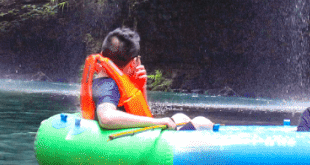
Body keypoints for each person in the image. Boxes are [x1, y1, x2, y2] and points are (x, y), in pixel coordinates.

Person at [80, 27, 213, 130]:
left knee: (180, 117)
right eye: (137, 59)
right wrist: (159, 121)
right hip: (130, 144)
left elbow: (140, 113)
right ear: (132, 62)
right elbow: (106, 118)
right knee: (202, 123)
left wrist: (140, 86)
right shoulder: (108, 86)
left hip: (137, 138)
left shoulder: (103, 80)